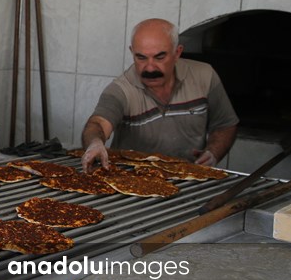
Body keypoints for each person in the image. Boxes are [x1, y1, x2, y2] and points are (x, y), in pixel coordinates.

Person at [81, 18, 238, 172]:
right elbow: (98, 124)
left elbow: (225, 124)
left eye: (159, 57)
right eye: (141, 57)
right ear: (132, 52)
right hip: (132, 180)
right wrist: (95, 142)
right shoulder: (121, 89)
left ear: (177, 53)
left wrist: (213, 152)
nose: (150, 68)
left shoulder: (205, 76)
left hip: (189, 181)